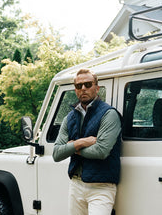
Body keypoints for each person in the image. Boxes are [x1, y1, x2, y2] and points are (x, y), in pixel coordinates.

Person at [53, 68, 122, 215]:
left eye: (88, 84)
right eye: (79, 86)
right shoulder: (69, 118)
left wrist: (71, 147)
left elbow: (101, 151)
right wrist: (81, 143)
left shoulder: (109, 114)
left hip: (101, 187)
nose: (83, 88)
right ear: (75, 90)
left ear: (97, 88)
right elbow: (57, 153)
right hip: (76, 184)